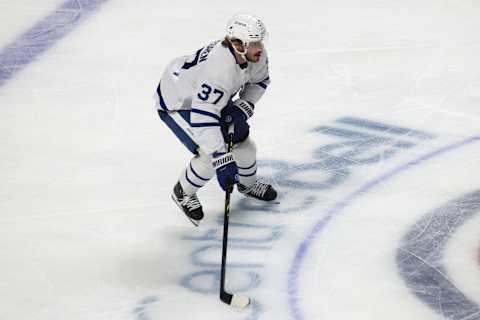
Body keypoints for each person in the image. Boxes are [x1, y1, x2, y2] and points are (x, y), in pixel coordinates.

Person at [155, 13, 277, 226]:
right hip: (179, 101)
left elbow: (260, 81)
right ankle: (183, 192)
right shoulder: (219, 69)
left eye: (260, 40)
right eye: (254, 42)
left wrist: (245, 104)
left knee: (245, 146)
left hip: (210, 98)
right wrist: (222, 159)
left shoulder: (255, 55)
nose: (260, 47)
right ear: (239, 45)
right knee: (209, 156)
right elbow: (204, 117)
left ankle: (247, 185)